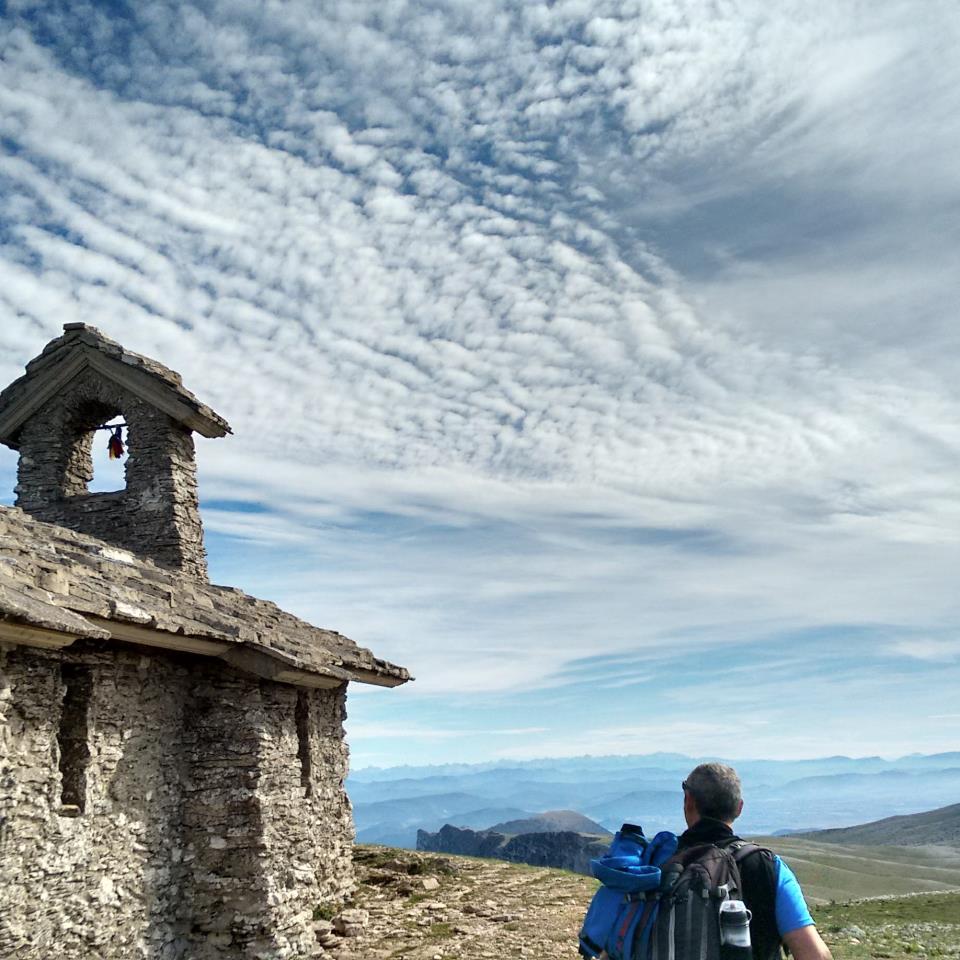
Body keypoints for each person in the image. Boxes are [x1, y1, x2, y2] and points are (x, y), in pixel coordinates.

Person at [680, 763, 832, 960]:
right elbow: (815, 955)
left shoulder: (657, 863)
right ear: (739, 808)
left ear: (688, 801)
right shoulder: (767, 867)